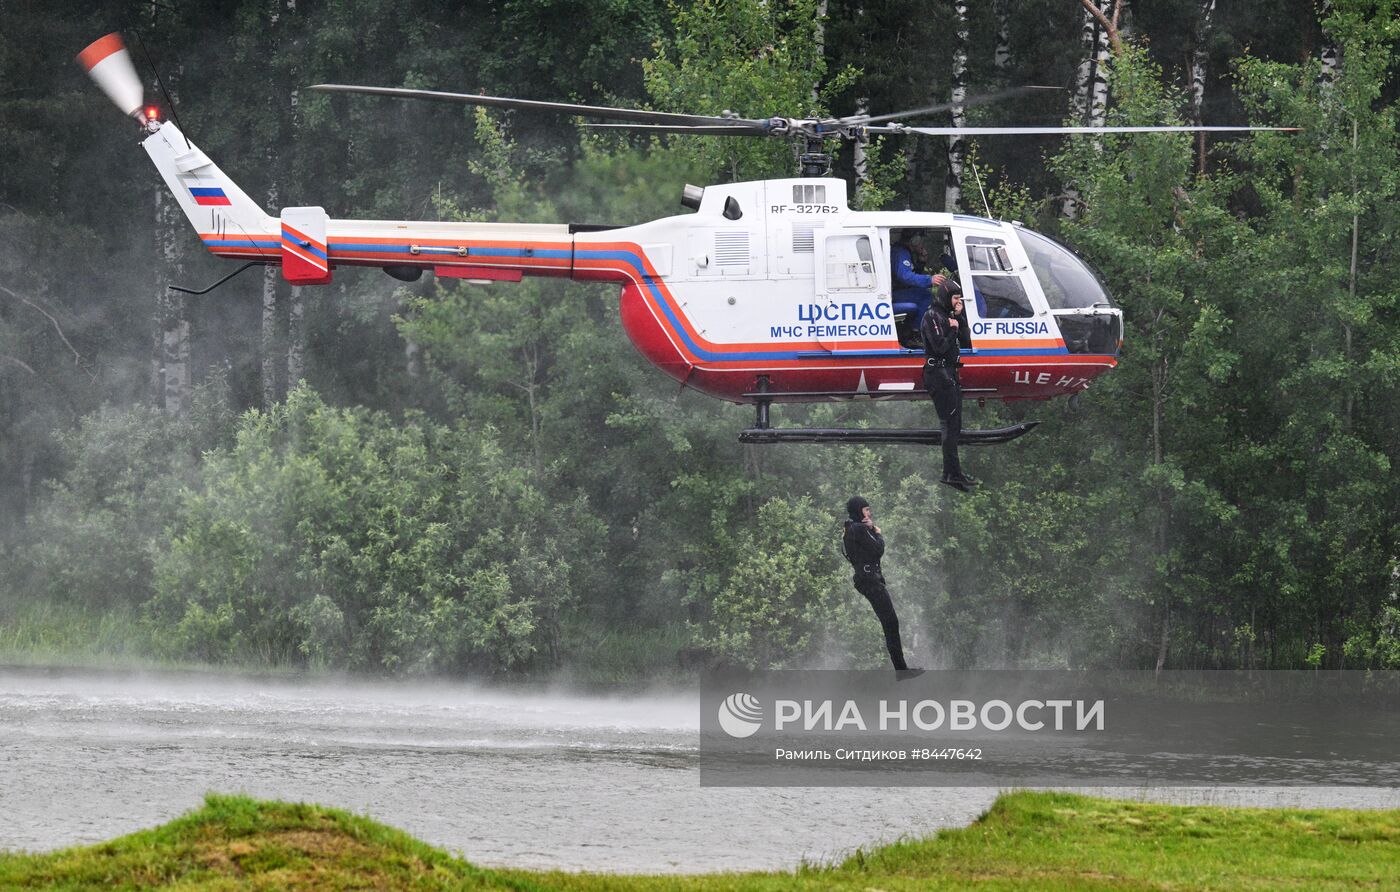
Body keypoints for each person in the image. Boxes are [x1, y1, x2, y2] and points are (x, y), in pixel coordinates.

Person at [842, 496, 924, 679]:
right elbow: (878, 549)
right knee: (891, 622)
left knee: (890, 623)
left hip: (867, 580)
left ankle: (901, 669)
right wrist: (877, 532)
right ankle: (901, 670)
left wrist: (870, 528)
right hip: (870, 581)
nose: (869, 512)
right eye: (866, 509)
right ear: (858, 511)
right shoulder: (858, 529)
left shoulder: (851, 528)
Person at [921, 278, 977, 492]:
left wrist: (960, 320)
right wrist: (952, 329)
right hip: (938, 373)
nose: (957, 301)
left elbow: (966, 342)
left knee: (956, 425)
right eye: (955, 298)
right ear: (946, 296)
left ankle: (954, 471)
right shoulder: (932, 316)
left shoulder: (949, 317)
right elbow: (938, 346)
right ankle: (951, 473)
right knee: (949, 424)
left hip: (950, 373)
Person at [890, 232, 946, 344]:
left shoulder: (904, 252)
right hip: (894, 293)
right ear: (914, 240)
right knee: (925, 295)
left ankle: (910, 329)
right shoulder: (901, 252)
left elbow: (911, 274)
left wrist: (921, 261)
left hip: (900, 291)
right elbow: (904, 276)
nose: (922, 244)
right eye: (921, 241)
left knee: (922, 294)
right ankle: (915, 332)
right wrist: (929, 280)